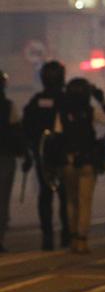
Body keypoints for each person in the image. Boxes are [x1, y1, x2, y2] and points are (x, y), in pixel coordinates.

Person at [57, 78, 105, 253]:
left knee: (71, 201)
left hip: (68, 161)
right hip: (87, 161)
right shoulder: (90, 110)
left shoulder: (62, 113)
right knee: (85, 201)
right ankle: (82, 239)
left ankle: (73, 238)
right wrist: (101, 100)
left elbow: (56, 136)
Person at [21, 60, 68, 250]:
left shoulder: (38, 101)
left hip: (48, 156)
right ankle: (63, 234)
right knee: (61, 196)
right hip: (53, 155)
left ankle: (51, 236)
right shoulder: (65, 100)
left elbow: (26, 128)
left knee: (48, 196)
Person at [0, 72, 20, 252]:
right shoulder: (8, 106)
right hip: (5, 156)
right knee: (2, 199)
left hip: (6, 155)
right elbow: (16, 131)